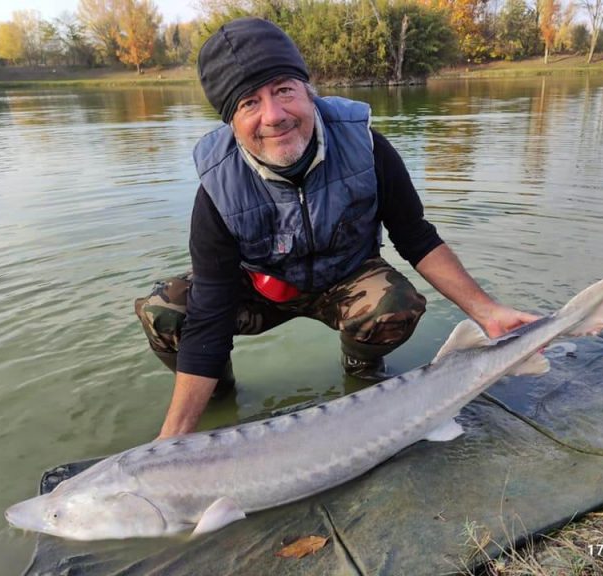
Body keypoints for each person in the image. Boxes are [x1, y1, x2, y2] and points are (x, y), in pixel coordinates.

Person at [135, 17, 538, 439]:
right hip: (261, 290)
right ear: (230, 122)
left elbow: (416, 238)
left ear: (309, 92)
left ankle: (361, 370)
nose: (274, 116)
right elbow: (212, 309)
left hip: (345, 280)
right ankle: (216, 396)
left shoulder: (367, 147)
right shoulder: (217, 190)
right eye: (249, 103)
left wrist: (487, 312)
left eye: (283, 90)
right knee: (166, 312)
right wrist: (171, 441)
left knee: (393, 304)